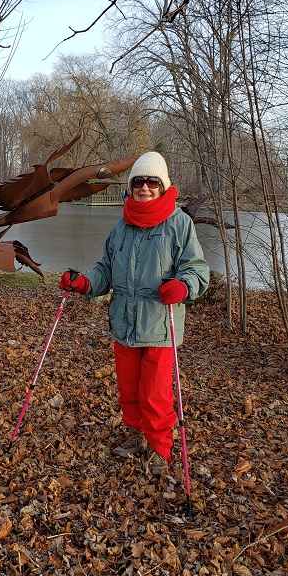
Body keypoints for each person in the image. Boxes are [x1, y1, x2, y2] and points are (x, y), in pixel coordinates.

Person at [60, 151, 209, 476]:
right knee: (129, 390)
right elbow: (106, 270)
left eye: (151, 181)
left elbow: (197, 270)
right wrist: (85, 283)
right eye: (138, 181)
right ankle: (137, 434)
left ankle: (159, 447)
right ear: (130, 186)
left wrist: (183, 287)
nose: (144, 187)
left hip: (159, 328)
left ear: (162, 185)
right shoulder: (121, 227)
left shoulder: (179, 224)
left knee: (155, 392)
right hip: (124, 325)